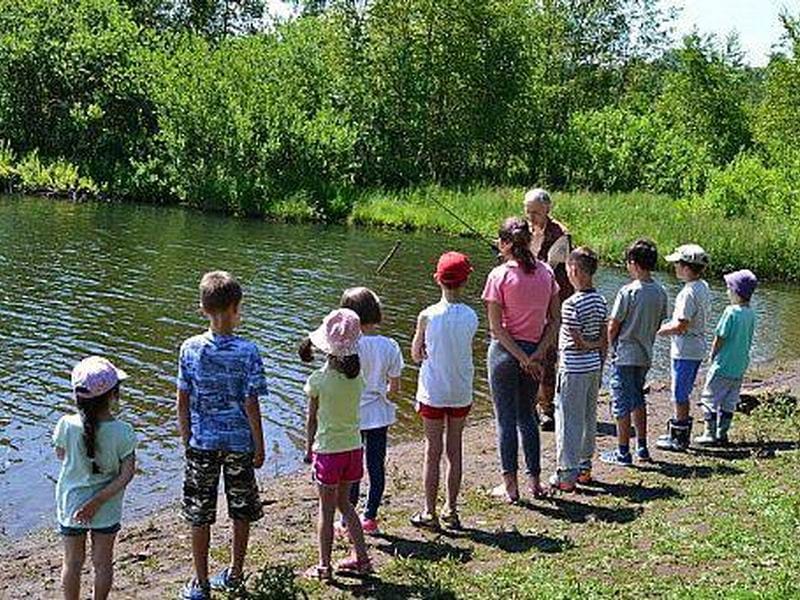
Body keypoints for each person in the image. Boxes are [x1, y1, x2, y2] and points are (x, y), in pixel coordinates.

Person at [178, 271, 268, 600]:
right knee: (240, 508)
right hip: (239, 443)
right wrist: (259, 445)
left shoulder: (189, 348)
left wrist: (186, 438)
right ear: (236, 307)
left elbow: (182, 400)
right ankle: (235, 572)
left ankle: (200, 583)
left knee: (199, 513)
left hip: (202, 443)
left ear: (202, 308)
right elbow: (251, 404)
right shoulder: (249, 351)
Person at [482, 218, 560, 501]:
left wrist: (520, 356)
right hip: (534, 352)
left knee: (505, 420)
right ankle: (535, 483)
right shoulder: (547, 272)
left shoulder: (498, 275)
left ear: (505, 244)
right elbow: (555, 320)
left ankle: (510, 486)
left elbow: (497, 328)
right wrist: (536, 354)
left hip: (504, 353)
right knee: (527, 416)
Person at [53, 356, 137, 600]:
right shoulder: (124, 431)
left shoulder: (65, 425)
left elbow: (61, 455)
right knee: (102, 563)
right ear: (114, 395)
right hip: (107, 508)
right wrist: (99, 500)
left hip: (72, 505)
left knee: (71, 563)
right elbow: (127, 473)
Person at [301, 308, 372, 579]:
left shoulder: (318, 380)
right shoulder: (358, 379)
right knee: (346, 505)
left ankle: (324, 567)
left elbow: (312, 421)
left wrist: (309, 449)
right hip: (353, 449)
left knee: (326, 510)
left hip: (328, 452)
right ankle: (362, 558)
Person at [410, 251, 478, 530]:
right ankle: (451, 509)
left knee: (432, 450)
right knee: (455, 449)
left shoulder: (426, 316)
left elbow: (415, 354)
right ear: (465, 282)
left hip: (433, 393)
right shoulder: (471, 316)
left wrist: (424, 347)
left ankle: (429, 511)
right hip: (460, 392)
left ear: (438, 280)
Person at [338, 287, 404, 535]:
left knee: (351, 468)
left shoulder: (346, 346)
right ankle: (371, 516)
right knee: (376, 466)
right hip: (380, 415)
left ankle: (348, 518)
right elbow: (394, 388)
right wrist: (380, 393)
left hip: (352, 415)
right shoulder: (390, 346)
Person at [601, 239, 668, 467]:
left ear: (634, 263)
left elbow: (613, 324)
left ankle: (623, 452)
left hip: (625, 355)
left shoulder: (628, 291)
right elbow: (659, 322)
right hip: (645, 354)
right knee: (638, 398)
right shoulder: (661, 292)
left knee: (620, 403)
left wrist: (612, 347)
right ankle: (641, 447)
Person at [550, 247, 608, 492]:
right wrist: (599, 357)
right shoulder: (602, 300)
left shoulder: (570, 304)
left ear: (574, 271)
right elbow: (603, 340)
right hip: (594, 367)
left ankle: (566, 474)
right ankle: (584, 468)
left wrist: (590, 345)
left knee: (567, 420)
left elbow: (578, 342)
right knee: (587, 418)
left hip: (573, 369)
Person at [524, 188, 574, 431]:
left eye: (536, 213)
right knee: (527, 349)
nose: (531, 217)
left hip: (553, 299)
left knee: (548, 353)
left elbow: (553, 271)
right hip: (527, 302)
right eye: (528, 211)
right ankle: (528, 403)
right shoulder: (523, 230)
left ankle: (546, 408)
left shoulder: (561, 235)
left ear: (547, 210)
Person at [656, 244, 712, 452]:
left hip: (686, 349)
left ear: (687, 267)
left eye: (678, 264)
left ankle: (679, 438)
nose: (675, 268)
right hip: (695, 347)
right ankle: (677, 431)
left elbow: (681, 324)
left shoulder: (688, 292)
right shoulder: (703, 286)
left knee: (679, 393)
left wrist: (658, 331)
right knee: (682, 390)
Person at [695, 270, 758, 445]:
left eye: (728, 288)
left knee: (710, 398)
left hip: (722, 364)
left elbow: (720, 337)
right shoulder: (751, 314)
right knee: (729, 401)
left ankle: (709, 433)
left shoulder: (730, 312)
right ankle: (722, 433)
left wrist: (712, 355)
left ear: (736, 291)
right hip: (740, 366)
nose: (726, 292)